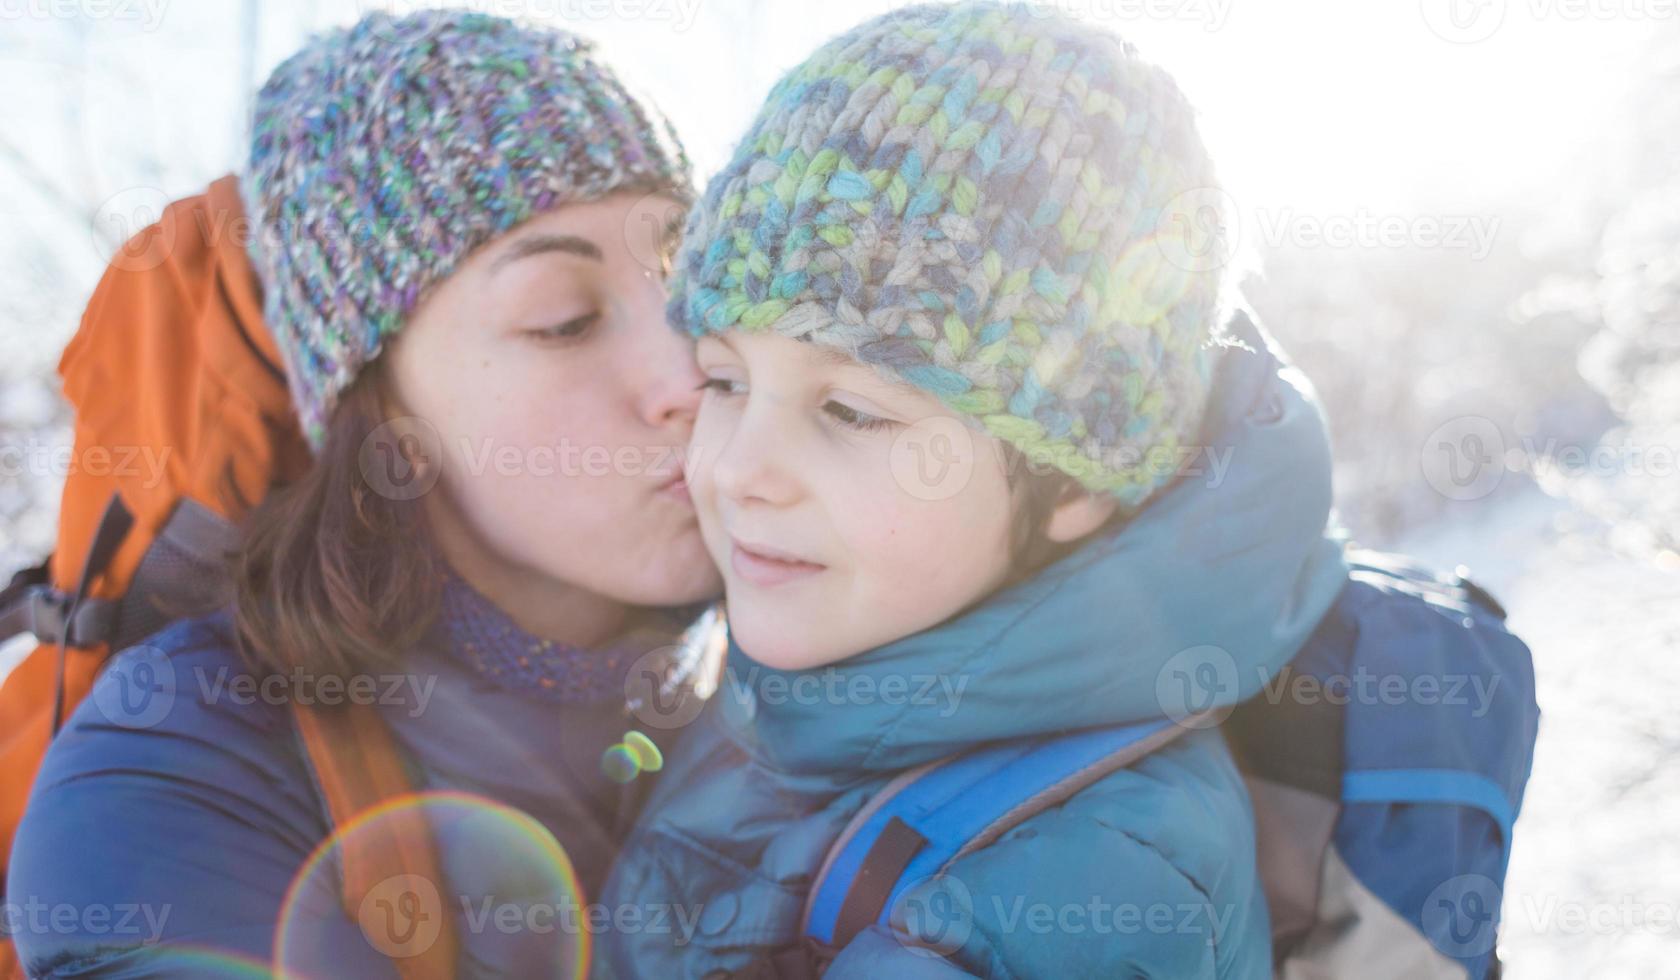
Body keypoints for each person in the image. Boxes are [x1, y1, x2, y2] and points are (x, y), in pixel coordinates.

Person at [595, 4, 1348, 976]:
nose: (737, 466)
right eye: (724, 380)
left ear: (1073, 479)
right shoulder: (800, 680)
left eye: (853, 411)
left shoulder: (1079, 889)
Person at [8, 11, 720, 977]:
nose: (689, 371)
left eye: (696, 283)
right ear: (380, 416)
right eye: (564, 320)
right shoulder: (180, 764)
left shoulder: (816, 695)